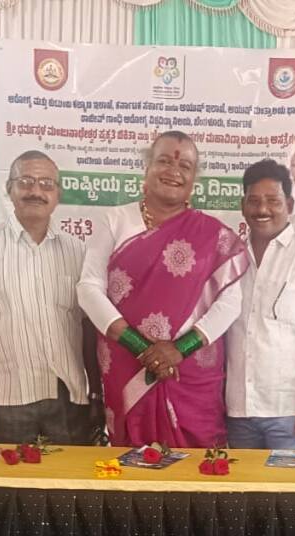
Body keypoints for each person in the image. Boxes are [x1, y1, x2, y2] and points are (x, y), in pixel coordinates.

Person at [77, 130, 250, 447]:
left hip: (191, 371)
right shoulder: (114, 220)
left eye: (185, 165)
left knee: (197, 465)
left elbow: (230, 303)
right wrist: (140, 346)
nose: (174, 171)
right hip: (127, 363)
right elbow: (89, 288)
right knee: (131, 461)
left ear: (194, 179)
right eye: (165, 161)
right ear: (147, 168)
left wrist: (179, 349)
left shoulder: (212, 234)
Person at [0, 150, 102, 444]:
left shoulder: (77, 251)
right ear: (9, 188)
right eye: (26, 182)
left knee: (68, 475)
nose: (36, 191)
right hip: (6, 397)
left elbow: (87, 327)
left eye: (46, 184)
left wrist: (96, 391)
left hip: (68, 396)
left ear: (58, 194)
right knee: (9, 475)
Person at [225, 159, 295, 449]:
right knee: (242, 481)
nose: (262, 209)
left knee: (290, 481)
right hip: (238, 409)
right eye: (254, 201)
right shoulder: (229, 258)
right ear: (242, 206)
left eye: (273, 201)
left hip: (291, 411)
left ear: (289, 204)